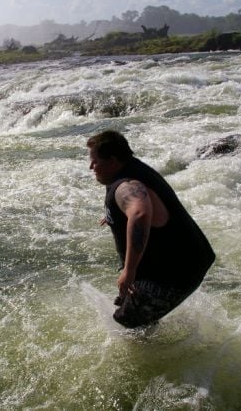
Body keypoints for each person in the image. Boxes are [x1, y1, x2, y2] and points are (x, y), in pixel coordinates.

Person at [87, 130, 215, 328]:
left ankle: (173, 354)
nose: (91, 167)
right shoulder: (129, 169)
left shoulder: (126, 185)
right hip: (186, 260)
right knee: (130, 311)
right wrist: (116, 216)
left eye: (95, 161)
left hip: (177, 271)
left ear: (112, 161)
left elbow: (139, 214)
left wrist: (129, 271)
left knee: (127, 324)